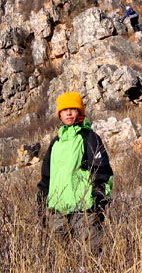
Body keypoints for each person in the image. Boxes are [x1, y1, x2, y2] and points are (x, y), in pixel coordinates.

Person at [36, 91, 113, 252]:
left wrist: (99, 198)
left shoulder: (89, 137)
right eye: (64, 110)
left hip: (84, 208)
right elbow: (46, 176)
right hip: (57, 209)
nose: (69, 113)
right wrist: (42, 202)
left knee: (92, 254)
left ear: (80, 112)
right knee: (60, 256)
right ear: (59, 114)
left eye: (73, 109)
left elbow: (101, 170)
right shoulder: (56, 143)